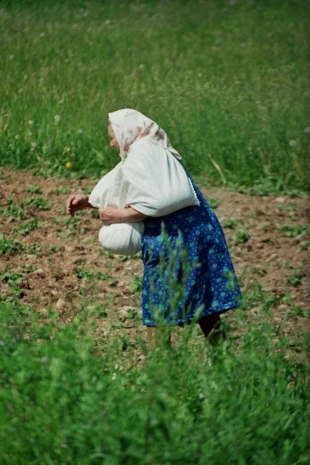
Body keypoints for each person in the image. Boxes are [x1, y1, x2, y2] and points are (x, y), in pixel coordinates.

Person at [66, 109, 241, 347]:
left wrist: (118, 215)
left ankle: (161, 377)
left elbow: (159, 202)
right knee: (203, 305)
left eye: (112, 136)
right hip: (196, 232)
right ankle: (227, 366)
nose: (110, 143)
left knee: (158, 310)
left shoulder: (142, 153)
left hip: (176, 240)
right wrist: (88, 201)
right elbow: (129, 188)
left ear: (125, 133)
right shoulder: (151, 150)